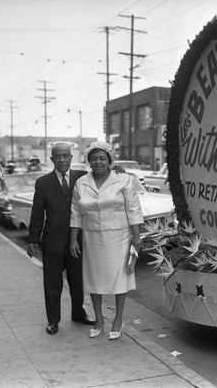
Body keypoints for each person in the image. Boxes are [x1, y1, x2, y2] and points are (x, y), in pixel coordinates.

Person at [69, 141, 143, 340]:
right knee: (95, 280)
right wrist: (73, 239)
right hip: (92, 237)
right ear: (88, 162)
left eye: (102, 158)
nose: (98, 162)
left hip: (119, 237)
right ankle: (99, 319)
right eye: (94, 158)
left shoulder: (123, 179)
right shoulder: (81, 183)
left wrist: (136, 237)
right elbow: (76, 213)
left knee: (119, 279)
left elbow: (133, 209)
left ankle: (118, 319)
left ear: (110, 160)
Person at [27, 142, 95, 335]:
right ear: (52, 159)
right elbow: (37, 213)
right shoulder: (43, 183)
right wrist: (33, 239)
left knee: (77, 282)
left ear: (71, 157)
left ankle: (78, 313)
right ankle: (53, 320)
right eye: (58, 156)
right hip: (52, 242)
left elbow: (103, 174)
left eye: (66, 155)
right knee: (52, 284)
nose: (62, 159)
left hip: (77, 240)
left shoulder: (82, 178)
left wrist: (118, 170)